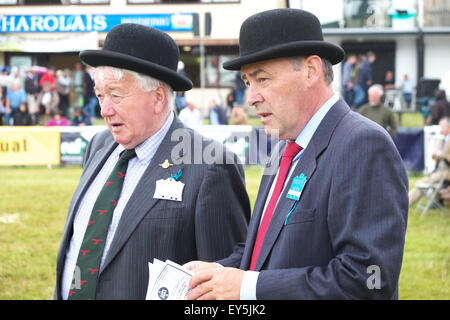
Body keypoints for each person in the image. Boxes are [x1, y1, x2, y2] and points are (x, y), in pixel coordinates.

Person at [184, 8, 408, 300]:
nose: (250, 97)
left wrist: (248, 288)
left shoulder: (362, 145)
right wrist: (214, 274)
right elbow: (263, 253)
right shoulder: (283, 150)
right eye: (247, 83)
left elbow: (370, 280)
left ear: (311, 71)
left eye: (262, 79)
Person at [54, 23, 250, 300]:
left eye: (116, 95)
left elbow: (224, 285)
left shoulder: (211, 165)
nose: (104, 110)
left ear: (158, 98)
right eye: (100, 95)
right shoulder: (99, 146)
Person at [409, 117, 450, 207]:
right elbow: (436, 154)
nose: (440, 129)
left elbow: (442, 155)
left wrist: (441, 155)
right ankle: (406, 202)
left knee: (422, 184)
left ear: (448, 128)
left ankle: (405, 203)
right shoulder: (443, 138)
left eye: (442, 127)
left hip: (446, 172)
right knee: (423, 184)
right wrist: (435, 155)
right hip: (439, 170)